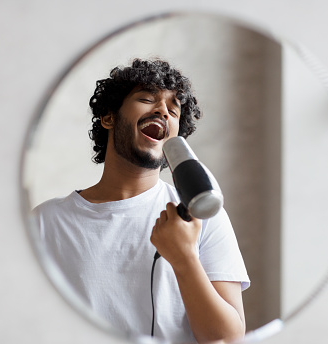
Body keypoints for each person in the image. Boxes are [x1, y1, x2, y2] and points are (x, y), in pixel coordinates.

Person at [33, 59, 250, 343]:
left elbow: (226, 338)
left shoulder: (200, 212)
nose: (162, 110)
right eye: (147, 99)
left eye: (173, 110)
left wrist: (185, 258)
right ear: (109, 117)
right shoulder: (46, 222)